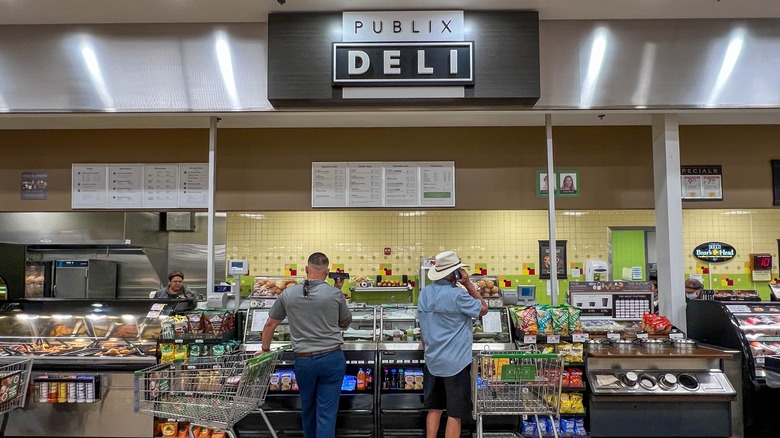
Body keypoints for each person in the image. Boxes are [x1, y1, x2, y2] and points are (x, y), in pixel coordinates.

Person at [260, 252, 351, 438]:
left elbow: (270, 324)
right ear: (327, 272)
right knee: (326, 413)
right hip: (332, 359)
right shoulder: (335, 294)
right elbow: (345, 323)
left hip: (304, 361)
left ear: (306, 270)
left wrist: (265, 349)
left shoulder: (288, 293)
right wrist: (337, 290)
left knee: (308, 408)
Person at [418, 250, 488, 438]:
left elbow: (422, 327)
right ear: (454, 273)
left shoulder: (424, 293)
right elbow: (483, 309)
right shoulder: (458, 296)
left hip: (432, 360)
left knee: (435, 408)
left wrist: (428, 350)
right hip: (455, 363)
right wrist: (468, 284)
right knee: (455, 414)